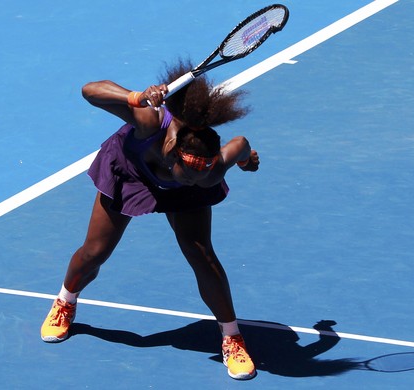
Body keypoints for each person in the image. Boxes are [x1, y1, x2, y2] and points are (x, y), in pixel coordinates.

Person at [40, 60, 260, 380]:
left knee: (201, 255)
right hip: (132, 174)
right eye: (191, 177)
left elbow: (240, 144)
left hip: (176, 189)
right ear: (171, 152)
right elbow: (89, 91)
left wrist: (245, 161)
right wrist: (133, 97)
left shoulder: (204, 174)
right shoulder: (148, 122)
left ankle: (232, 337)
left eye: (203, 176)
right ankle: (65, 301)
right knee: (95, 251)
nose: (195, 182)